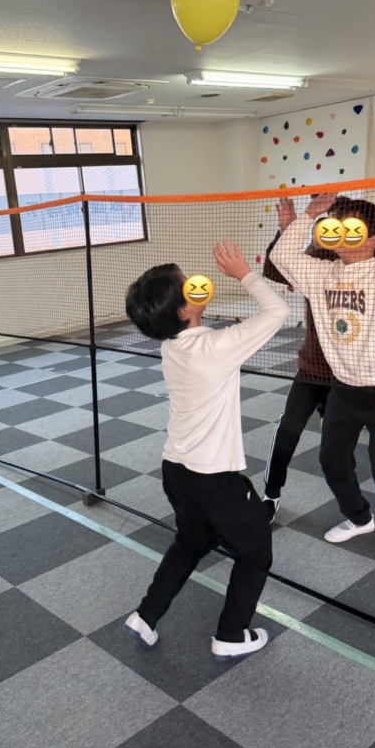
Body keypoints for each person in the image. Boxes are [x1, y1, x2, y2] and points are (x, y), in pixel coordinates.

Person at [123, 240, 290, 660]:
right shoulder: (216, 347)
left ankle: (146, 615)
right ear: (184, 309)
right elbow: (277, 312)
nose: (197, 284)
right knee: (256, 552)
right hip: (214, 479)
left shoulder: (172, 346)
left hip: (176, 471)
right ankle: (231, 635)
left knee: (191, 542)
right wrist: (244, 274)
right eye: (188, 285)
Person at [271, 191, 375, 572]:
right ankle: (360, 518)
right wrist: (308, 216)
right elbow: (282, 257)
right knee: (331, 461)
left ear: (374, 240)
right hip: (343, 388)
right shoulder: (320, 274)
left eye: (352, 230)